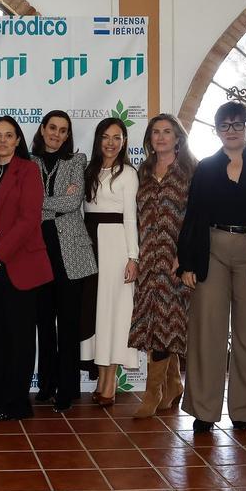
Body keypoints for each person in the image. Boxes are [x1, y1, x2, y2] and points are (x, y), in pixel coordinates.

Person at [178, 102, 246, 432]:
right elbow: (193, 217)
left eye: (238, 124)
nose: (231, 130)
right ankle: (203, 410)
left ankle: (245, 409)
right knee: (208, 330)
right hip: (212, 250)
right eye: (225, 125)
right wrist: (187, 263)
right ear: (217, 130)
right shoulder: (205, 167)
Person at [0, 116, 52, 421]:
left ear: (18, 141)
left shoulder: (28, 171)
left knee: (19, 337)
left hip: (17, 267)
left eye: (9, 135)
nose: (2, 140)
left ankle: (17, 401)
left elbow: (28, 220)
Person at [128, 114, 196, 418]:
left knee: (168, 322)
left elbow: (197, 218)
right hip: (147, 258)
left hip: (174, 260)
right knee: (153, 322)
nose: (161, 137)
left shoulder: (191, 172)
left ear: (178, 137)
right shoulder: (141, 172)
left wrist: (185, 255)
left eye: (167, 131)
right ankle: (172, 384)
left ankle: (151, 392)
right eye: (155, 132)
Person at [31, 110, 97, 412]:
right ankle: (46, 384)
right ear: (43, 130)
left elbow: (73, 204)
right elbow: (23, 204)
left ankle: (68, 389)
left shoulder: (76, 162)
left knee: (67, 324)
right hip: (36, 251)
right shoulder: (26, 163)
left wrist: (38, 204)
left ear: (68, 135)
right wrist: (51, 206)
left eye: (63, 130)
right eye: (52, 128)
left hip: (69, 252)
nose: (57, 134)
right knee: (43, 322)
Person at [81, 118, 140, 406]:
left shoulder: (128, 173)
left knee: (115, 312)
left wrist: (133, 257)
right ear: (98, 140)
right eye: (106, 137)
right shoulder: (88, 170)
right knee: (97, 312)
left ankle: (110, 384)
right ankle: (101, 377)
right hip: (90, 244)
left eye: (117, 137)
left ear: (125, 141)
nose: (111, 142)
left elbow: (131, 217)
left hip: (116, 245)